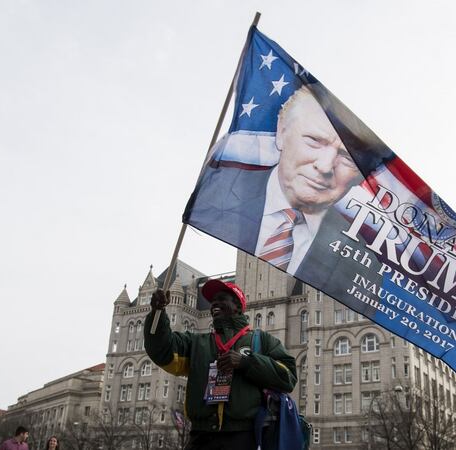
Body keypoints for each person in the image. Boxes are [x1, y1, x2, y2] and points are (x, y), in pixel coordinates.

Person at [185, 85, 363, 275]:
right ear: (281, 132)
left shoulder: (358, 254)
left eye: (346, 157)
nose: (325, 166)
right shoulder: (224, 190)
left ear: (358, 177)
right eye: (314, 140)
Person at [145, 279, 297, 450]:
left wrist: (246, 363)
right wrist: (157, 314)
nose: (215, 303)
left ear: (238, 307)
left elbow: (288, 377)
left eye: (222, 298)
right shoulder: (197, 343)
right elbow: (163, 352)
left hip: (244, 437)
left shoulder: (262, 340)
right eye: (213, 301)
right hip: (200, 437)